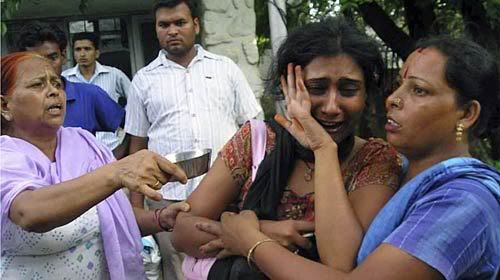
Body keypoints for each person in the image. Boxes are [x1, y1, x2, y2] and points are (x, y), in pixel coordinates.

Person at [199, 36, 500, 279]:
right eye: (400, 85)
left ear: (466, 113)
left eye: (419, 90)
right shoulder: (409, 174)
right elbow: (184, 228)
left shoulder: (463, 201)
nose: (393, 99)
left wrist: (250, 241)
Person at [172, 16, 404, 278]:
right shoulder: (255, 141)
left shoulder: (375, 160)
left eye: (348, 90)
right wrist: (264, 231)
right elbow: (181, 232)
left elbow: (341, 263)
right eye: (316, 88)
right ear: (288, 86)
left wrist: (323, 150)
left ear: (366, 95)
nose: (331, 106)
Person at [0, 52, 190, 279]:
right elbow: (28, 212)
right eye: (38, 85)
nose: (53, 91)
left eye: (56, 83)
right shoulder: (6, 156)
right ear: (4, 105)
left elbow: (115, 217)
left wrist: (160, 218)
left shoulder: (84, 143)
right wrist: (117, 172)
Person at [125, 0, 263, 278]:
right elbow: (137, 147)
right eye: (164, 25)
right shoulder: (143, 80)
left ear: (196, 25)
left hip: (228, 197)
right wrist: (136, 211)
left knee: (231, 268)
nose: (172, 31)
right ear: (156, 29)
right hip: (169, 203)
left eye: (180, 22)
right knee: (179, 271)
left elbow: (253, 131)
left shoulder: (226, 69)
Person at [16, 23, 125, 139]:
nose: (45, 66)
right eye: (35, 60)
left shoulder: (90, 95)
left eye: (52, 58)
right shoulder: (15, 102)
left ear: (63, 56)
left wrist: (112, 157)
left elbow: (133, 129)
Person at [62, 31, 131, 159]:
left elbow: (134, 100)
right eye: (78, 49)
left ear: (97, 52)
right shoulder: (65, 78)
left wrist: (121, 118)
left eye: (87, 49)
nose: (82, 54)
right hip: (77, 152)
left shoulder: (114, 75)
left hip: (111, 147)